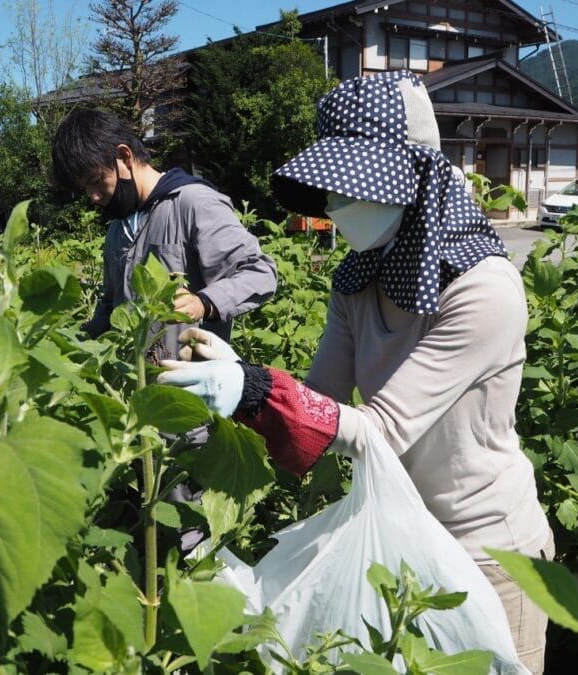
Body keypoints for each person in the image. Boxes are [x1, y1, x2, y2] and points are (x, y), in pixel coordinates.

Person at [157, 71, 554, 675]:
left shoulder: (484, 289)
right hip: (400, 544)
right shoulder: (359, 281)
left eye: (353, 188)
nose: (336, 207)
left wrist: (258, 388)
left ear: (413, 179)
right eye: (333, 190)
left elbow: (381, 431)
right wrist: (240, 378)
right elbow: (320, 409)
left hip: (487, 551)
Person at [50, 108, 278, 360]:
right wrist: (72, 346)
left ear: (124, 157)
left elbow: (259, 272)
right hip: (135, 385)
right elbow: (110, 303)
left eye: (95, 180)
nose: (93, 196)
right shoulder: (117, 229)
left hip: (193, 386)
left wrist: (203, 303)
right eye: (85, 188)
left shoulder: (193, 202)